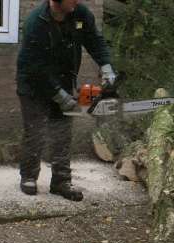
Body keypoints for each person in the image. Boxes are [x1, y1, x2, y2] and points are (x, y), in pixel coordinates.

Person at [16, 0, 116, 201]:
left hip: (63, 79)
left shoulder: (79, 14)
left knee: (62, 132)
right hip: (33, 84)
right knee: (35, 131)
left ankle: (61, 181)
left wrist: (106, 67)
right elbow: (36, 67)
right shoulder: (36, 22)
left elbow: (95, 41)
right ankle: (28, 176)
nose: (76, 1)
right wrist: (60, 96)